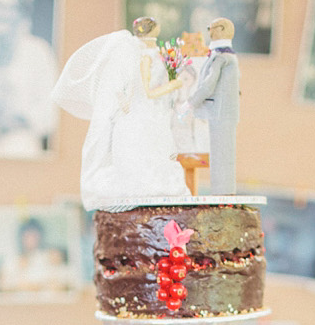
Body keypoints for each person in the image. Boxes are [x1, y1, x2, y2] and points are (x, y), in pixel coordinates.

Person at [52, 17, 187, 210]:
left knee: (156, 149)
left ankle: (153, 186)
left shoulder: (157, 54)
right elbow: (143, 90)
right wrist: (172, 85)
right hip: (142, 111)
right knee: (141, 148)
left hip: (153, 112)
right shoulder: (139, 55)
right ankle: (143, 186)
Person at [0, 0, 58, 155]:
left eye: (8, 8)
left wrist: (19, 120)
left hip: (21, 143)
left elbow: (50, 112)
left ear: (21, 14)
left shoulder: (37, 52)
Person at [188, 17, 240, 194]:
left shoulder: (221, 57)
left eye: (211, 27)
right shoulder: (229, 56)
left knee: (220, 155)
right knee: (223, 154)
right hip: (225, 113)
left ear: (221, 29)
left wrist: (191, 103)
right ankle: (223, 191)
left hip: (220, 113)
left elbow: (208, 86)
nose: (209, 31)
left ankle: (222, 193)